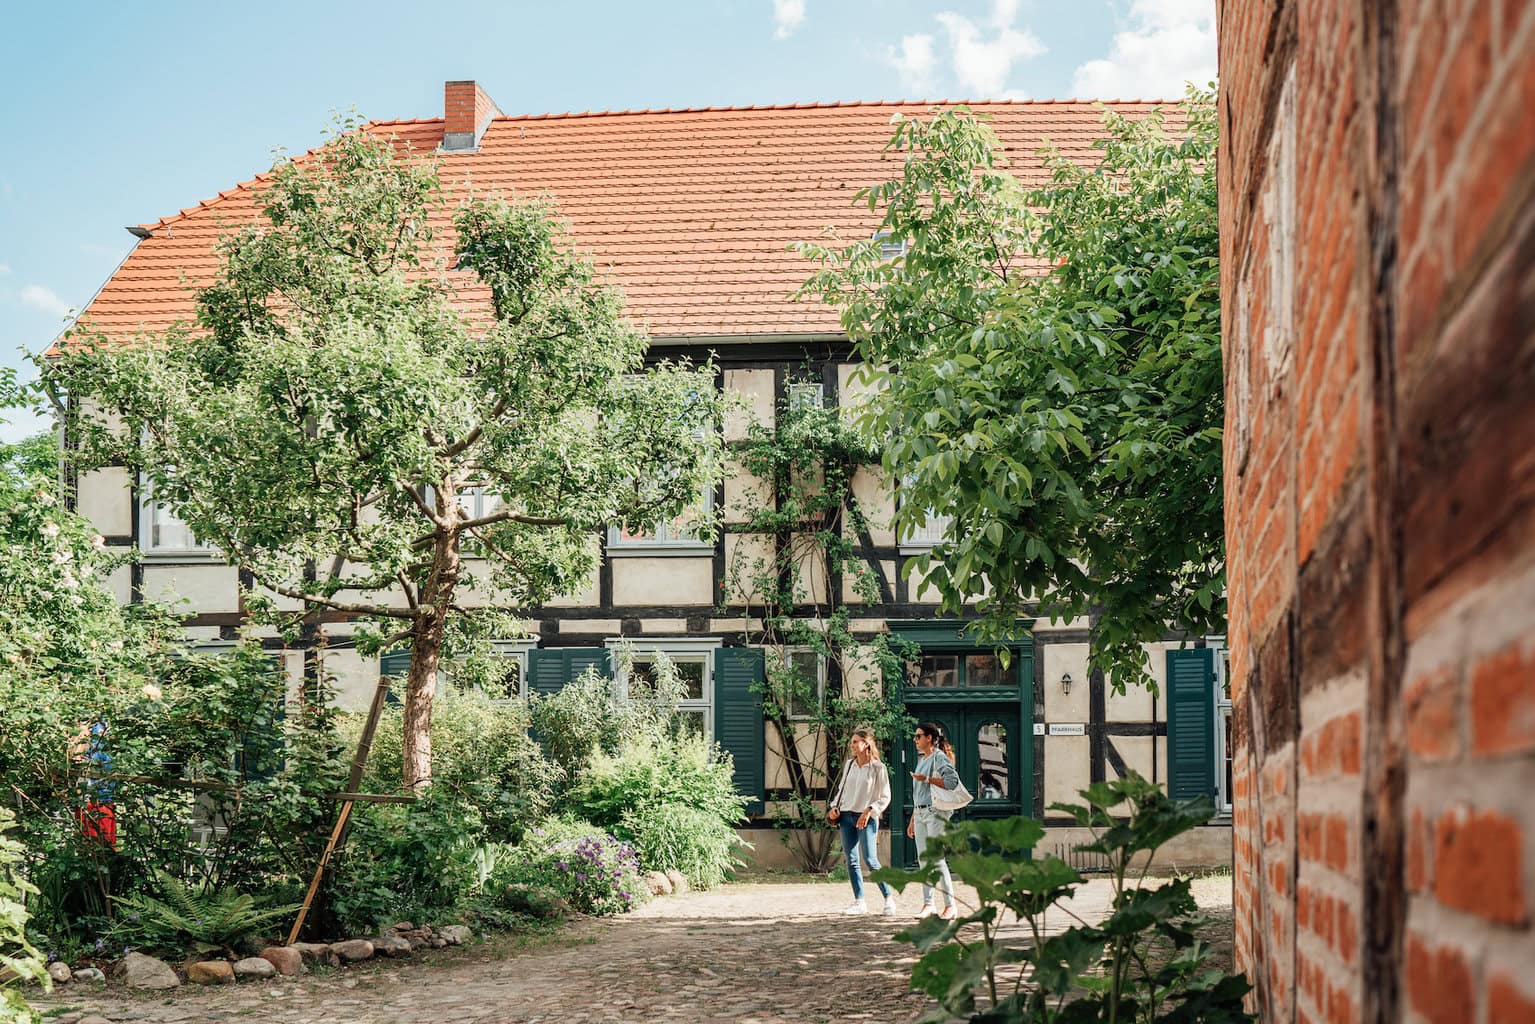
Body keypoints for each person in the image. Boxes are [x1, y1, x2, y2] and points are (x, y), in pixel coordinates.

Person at [827, 728, 896, 915]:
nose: (852, 745)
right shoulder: (849, 765)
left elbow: (885, 796)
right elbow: (842, 790)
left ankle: (888, 898)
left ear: (866, 744)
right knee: (851, 860)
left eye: (856, 742)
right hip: (846, 816)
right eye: (852, 742)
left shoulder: (878, 768)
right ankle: (860, 902)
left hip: (866, 817)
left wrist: (870, 809)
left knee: (871, 860)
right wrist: (834, 807)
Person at [906, 720, 960, 919]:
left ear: (930, 738)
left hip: (935, 813)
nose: (915, 739)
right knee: (924, 861)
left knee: (936, 859)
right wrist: (913, 818)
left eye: (918, 736)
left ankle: (950, 906)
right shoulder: (922, 759)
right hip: (920, 813)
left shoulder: (939, 757)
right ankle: (928, 904)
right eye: (915, 736)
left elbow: (952, 782)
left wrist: (927, 779)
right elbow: (918, 793)